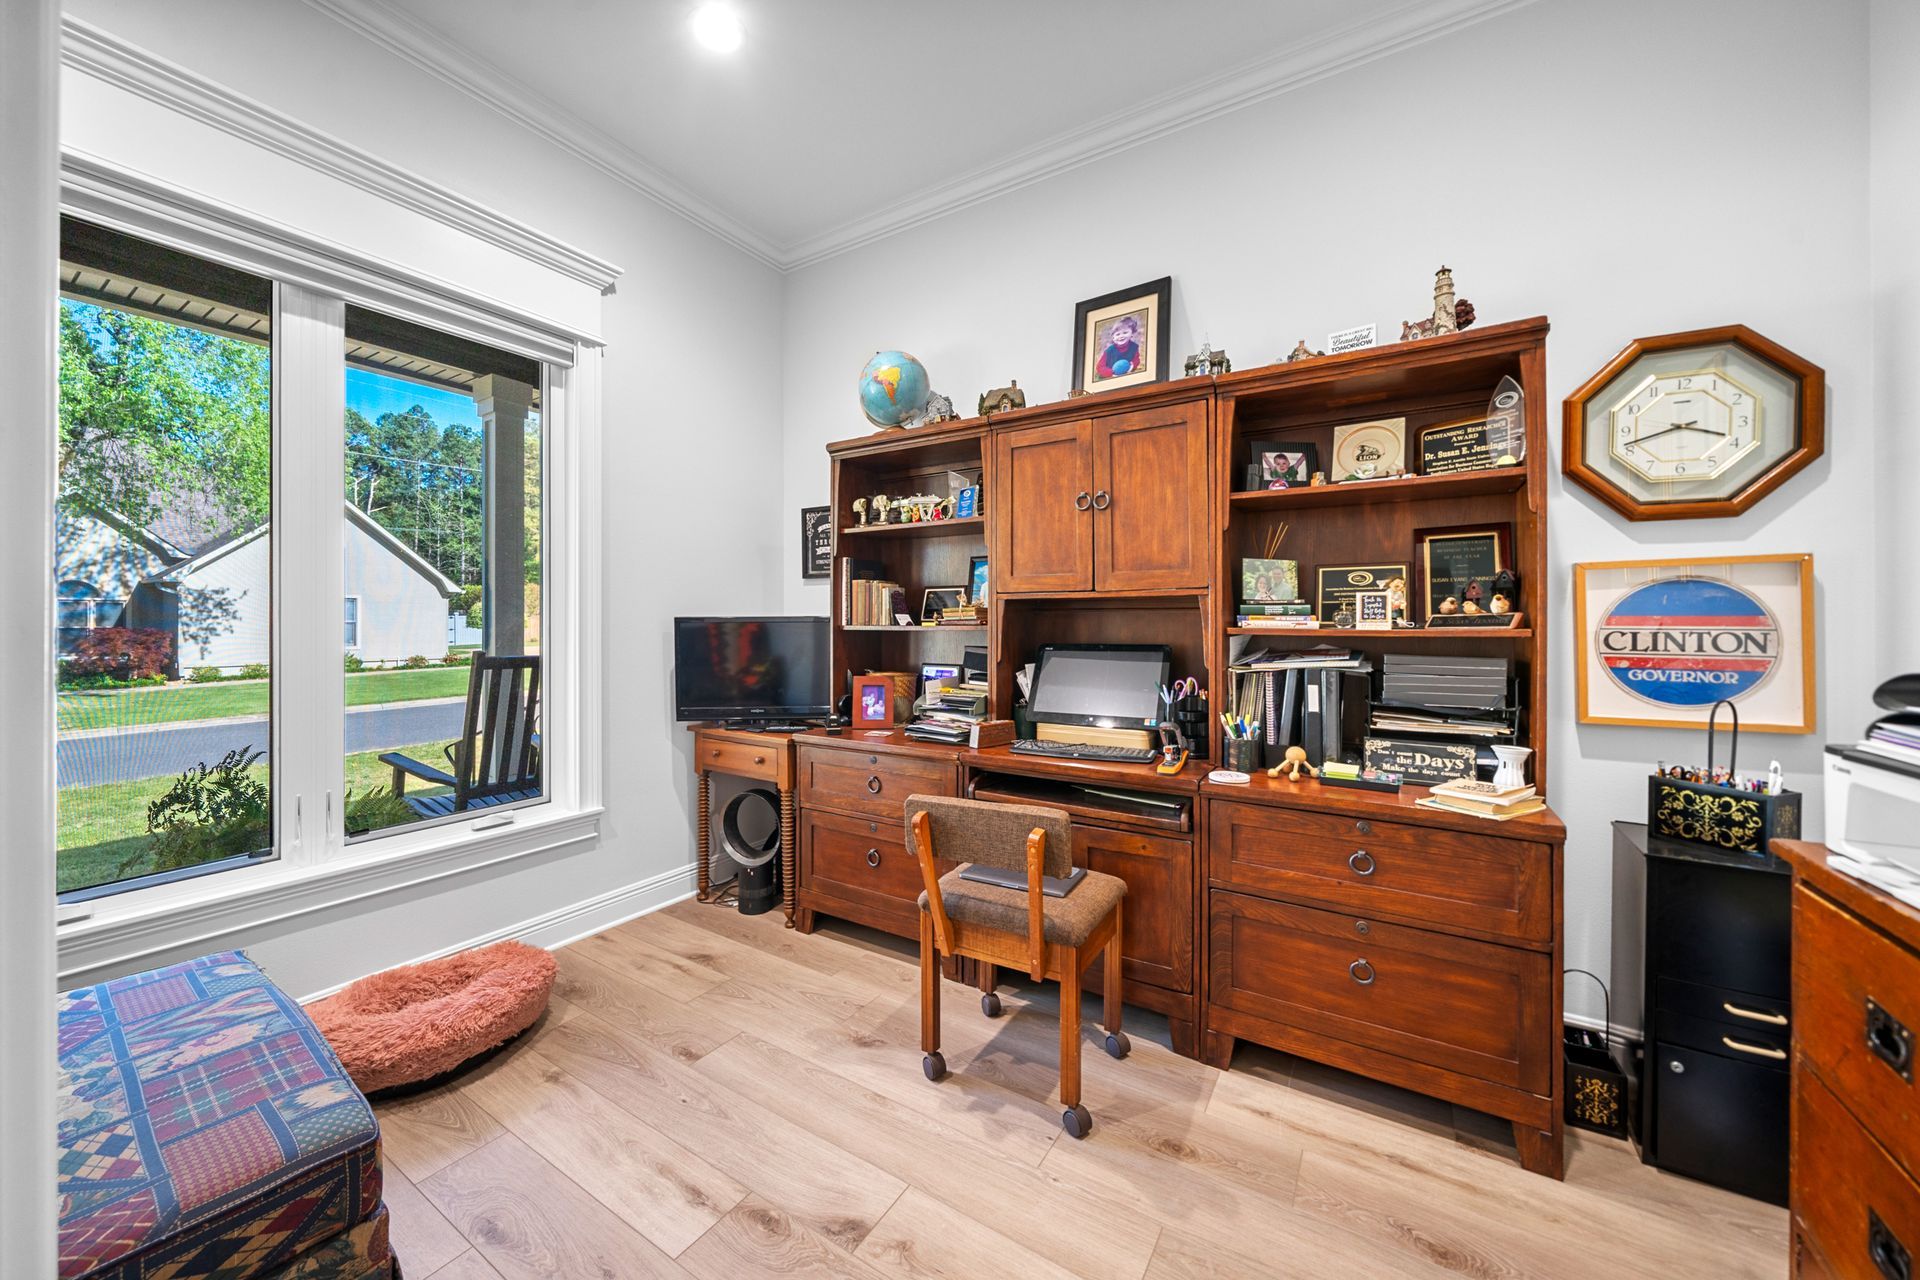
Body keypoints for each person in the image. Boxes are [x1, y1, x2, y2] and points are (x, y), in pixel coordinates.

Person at [1097, 314, 1144, 380]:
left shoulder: (1134, 347)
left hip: (1127, 375)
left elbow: (1136, 360)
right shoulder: (1109, 351)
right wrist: (1111, 373)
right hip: (1111, 377)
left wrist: (1132, 366)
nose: (1121, 336)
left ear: (1132, 334)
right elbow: (1100, 367)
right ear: (1113, 338)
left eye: (1125, 332)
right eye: (1117, 334)